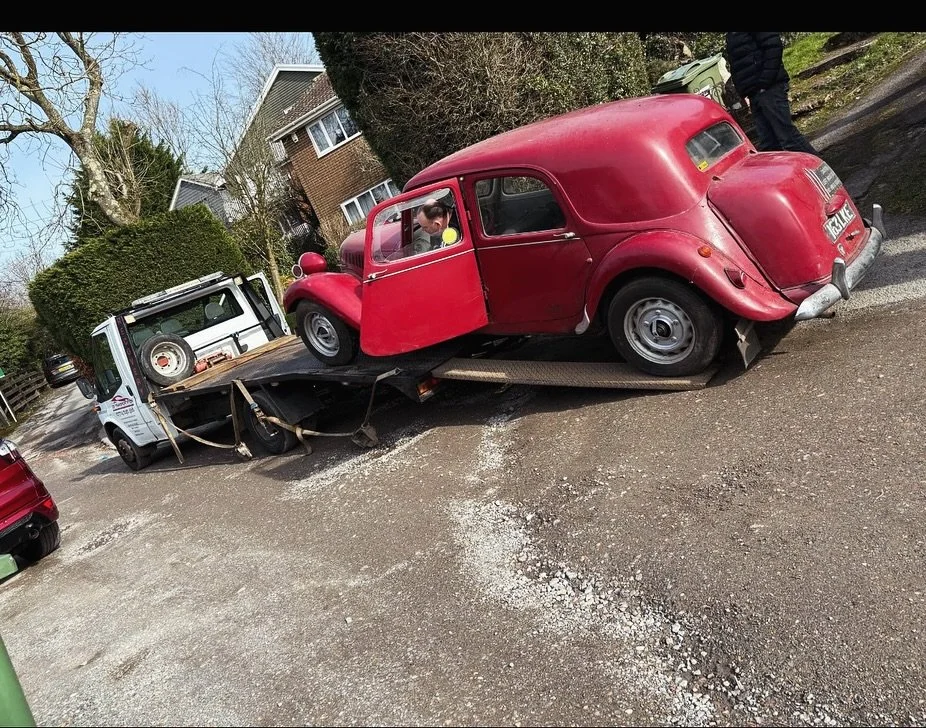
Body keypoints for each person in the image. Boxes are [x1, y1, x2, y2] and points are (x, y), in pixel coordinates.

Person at [724, 32, 817, 155]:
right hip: (754, 92)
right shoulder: (731, 34)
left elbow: (773, 47)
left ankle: (817, 165)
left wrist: (765, 81)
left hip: (769, 88)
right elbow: (739, 64)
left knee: (788, 138)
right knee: (769, 145)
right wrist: (745, 91)